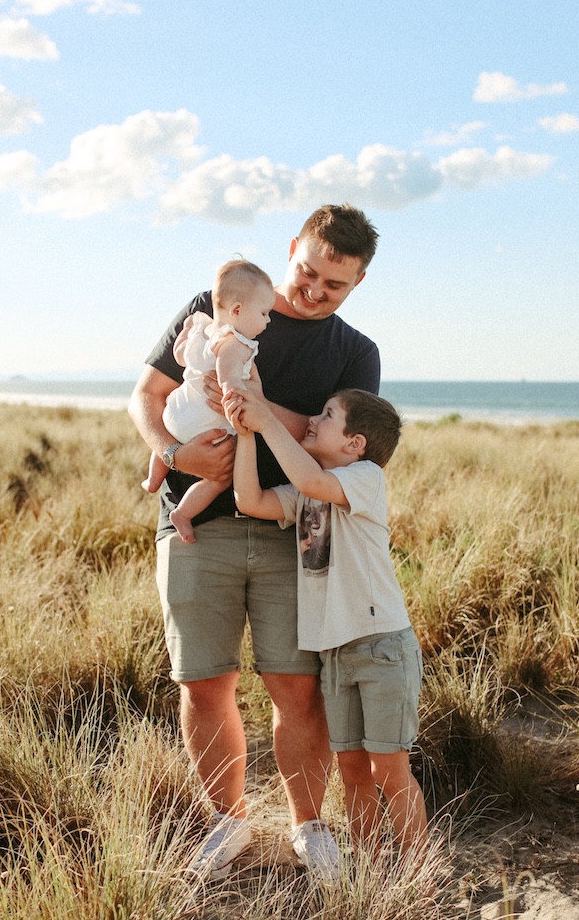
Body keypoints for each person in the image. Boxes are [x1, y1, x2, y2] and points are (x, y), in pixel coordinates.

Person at [128, 204, 380, 885]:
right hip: (192, 521)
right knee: (204, 679)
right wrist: (174, 454)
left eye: (335, 285)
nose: (314, 291)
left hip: (294, 529)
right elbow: (145, 396)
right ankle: (227, 820)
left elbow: (342, 447)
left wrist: (261, 411)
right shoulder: (216, 304)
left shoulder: (355, 353)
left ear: (357, 284)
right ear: (293, 247)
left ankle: (309, 825)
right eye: (308, 272)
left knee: (298, 687)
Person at [227, 387, 427, 860]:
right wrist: (246, 435)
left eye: (328, 415)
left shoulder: (364, 477)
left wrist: (270, 422)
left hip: (381, 649)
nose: (313, 419)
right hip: (335, 654)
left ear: (355, 443)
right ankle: (370, 870)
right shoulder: (306, 493)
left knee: (389, 770)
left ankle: (421, 872)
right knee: (354, 771)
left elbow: (315, 482)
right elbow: (250, 499)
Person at [141, 259, 274, 543]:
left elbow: (180, 357)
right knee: (219, 479)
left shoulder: (204, 330)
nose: (268, 320)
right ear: (238, 310)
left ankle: (153, 479)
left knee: (171, 428)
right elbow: (227, 370)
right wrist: (233, 391)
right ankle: (183, 514)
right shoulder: (237, 342)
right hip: (206, 424)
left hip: (177, 410)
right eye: (263, 313)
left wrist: (190, 334)